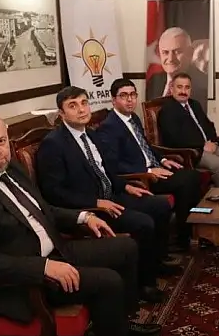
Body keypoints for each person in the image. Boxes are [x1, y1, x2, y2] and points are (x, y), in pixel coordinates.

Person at [0, 113, 161, 336]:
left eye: (1, 141)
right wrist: (44, 267)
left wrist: (83, 217)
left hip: (53, 250)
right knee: (109, 281)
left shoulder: (10, 168)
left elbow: (43, 209)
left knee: (126, 247)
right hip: (22, 280)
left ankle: (118, 325)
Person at [36, 86, 179, 304]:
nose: (81, 110)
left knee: (159, 206)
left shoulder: (91, 135)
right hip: (91, 208)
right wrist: (95, 202)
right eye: (73, 106)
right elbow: (53, 193)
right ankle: (144, 285)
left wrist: (126, 186)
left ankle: (155, 263)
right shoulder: (53, 144)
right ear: (61, 114)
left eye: (84, 103)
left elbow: (107, 170)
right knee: (143, 223)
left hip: (111, 196)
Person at [96, 78, 203, 252]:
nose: (129, 100)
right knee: (188, 180)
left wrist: (162, 160)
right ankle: (183, 238)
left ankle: (188, 232)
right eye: (124, 96)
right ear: (113, 100)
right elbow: (114, 165)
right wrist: (148, 170)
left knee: (192, 176)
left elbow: (146, 145)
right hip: (141, 177)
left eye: (132, 95)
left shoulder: (133, 118)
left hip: (154, 167)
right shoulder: (109, 127)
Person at [157, 73, 219, 188]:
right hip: (192, 151)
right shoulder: (168, 110)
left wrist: (214, 142)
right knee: (217, 163)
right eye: (179, 87)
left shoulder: (195, 104)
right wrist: (202, 145)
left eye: (187, 87)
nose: (183, 91)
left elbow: (209, 126)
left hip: (209, 145)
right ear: (171, 88)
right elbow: (175, 139)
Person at [148, 27, 208, 112]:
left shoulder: (204, 86)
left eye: (177, 52)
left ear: (190, 53)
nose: (170, 59)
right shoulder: (154, 81)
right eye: (165, 52)